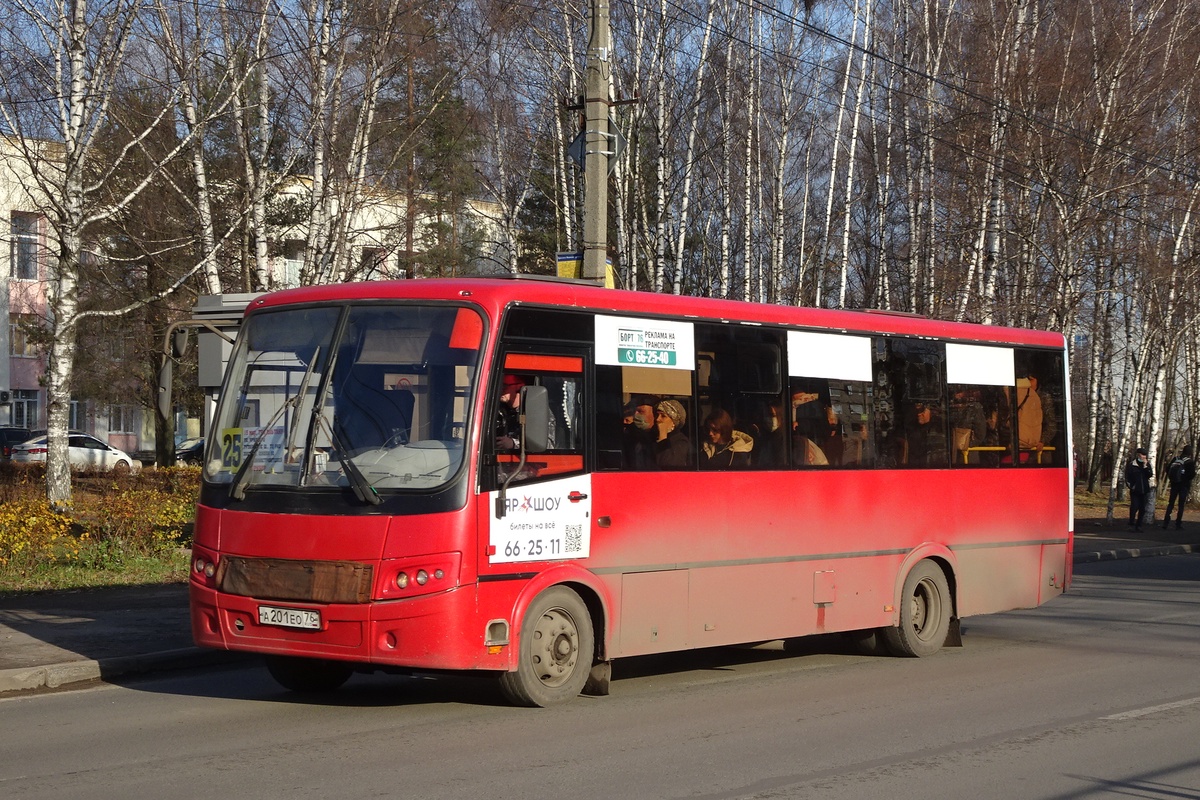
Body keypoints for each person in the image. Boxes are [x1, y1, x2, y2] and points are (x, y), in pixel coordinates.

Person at [1162, 444, 1195, 530]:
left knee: (1171, 504)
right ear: (1190, 452)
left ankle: (1166, 522)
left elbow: (1167, 469)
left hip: (1174, 484)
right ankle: (1178, 523)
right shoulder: (1190, 462)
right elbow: (1191, 475)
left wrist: (1173, 479)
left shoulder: (1176, 459)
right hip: (1184, 486)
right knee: (1181, 505)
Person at [622, 394, 659, 470]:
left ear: (655, 416)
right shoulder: (629, 436)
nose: (635, 415)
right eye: (634, 412)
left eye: (641, 411)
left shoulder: (662, 440)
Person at [654, 399, 692, 468]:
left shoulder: (681, 442)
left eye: (663, 416)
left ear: (674, 421)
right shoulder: (653, 437)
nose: (657, 419)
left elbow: (668, 466)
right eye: (657, 415)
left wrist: (663, 436)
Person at [1125, 447, 1152, 531]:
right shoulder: (1132, 465)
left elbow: (1150, 475)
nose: (1144, 457)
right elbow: (1127, 477)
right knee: (1134, 507)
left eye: (1145, 455)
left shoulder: (1147, 464)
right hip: (1135, 490)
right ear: (1138, 455)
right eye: (1142, 455)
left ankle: (1139, 525)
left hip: (1144, 490)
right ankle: (1131, 524)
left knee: (1142, 509)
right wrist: (1131, 486)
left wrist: (1145, 467)